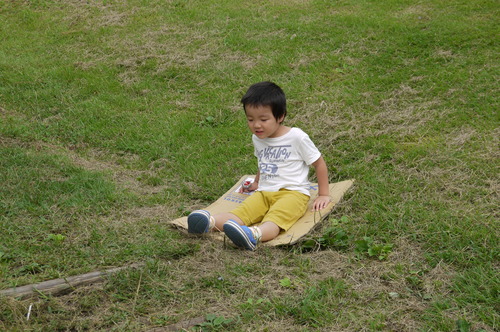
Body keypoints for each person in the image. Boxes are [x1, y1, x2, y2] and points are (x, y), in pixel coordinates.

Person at [187, 81, 330, 251]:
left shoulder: (297, 137)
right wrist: (256, 182)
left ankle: (254, 234)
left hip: (293, 194)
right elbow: (264, 163)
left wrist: (323, 194)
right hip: (263, 192)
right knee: (241, 213)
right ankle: (208, 223)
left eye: (263, 119)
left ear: (280, 116)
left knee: (275, 219)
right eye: (250, 119)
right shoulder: (258, 138)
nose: (256, 125)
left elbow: (319, 163)